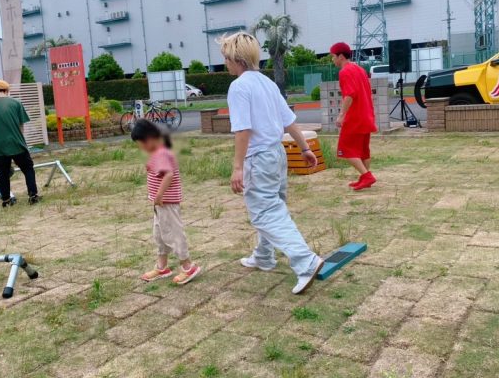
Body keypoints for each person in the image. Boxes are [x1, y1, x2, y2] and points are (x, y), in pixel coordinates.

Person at [221, 32, 324, 294]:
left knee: (265, 212)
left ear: (236, 58)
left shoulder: (239, 87)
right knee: (272, 207)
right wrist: (304, 148)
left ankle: (305, 261)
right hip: (277, 155)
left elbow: (242, 130)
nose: (225, 64)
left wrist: (237, 167)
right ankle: (263, 256)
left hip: (258, 158)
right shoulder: (267, 83)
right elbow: (288, 120)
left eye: (226, 58)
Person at [131, 119, 201, 285]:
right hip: (161, 205)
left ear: (149, 139)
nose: (141, 148)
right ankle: (162, 266)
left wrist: (159, 195)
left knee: (174, 234)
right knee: (160, 235)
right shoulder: (159, 153)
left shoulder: (161, 153)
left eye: (141, 144)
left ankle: (187, 266)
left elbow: (168, 174)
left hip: (166, 203)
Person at [0, 80, 40, 207]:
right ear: (7, 90)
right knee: (28, 168)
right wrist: (21, 139)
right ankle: (33, 196)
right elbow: (21, 125)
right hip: (17, 143)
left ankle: (6, 200)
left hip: (0, 145)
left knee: (3, 172)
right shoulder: (16, 103)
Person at [330, 42, 378, 190]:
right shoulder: (359, 69)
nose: (332, 59)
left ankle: (367, 176)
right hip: (366, 114)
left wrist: (341, 115)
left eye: (333, 56)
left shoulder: (344, 72)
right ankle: (364, 178)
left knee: (345, 149)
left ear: (341, 56)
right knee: (363, 150)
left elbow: (350, 95)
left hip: (355, 116)